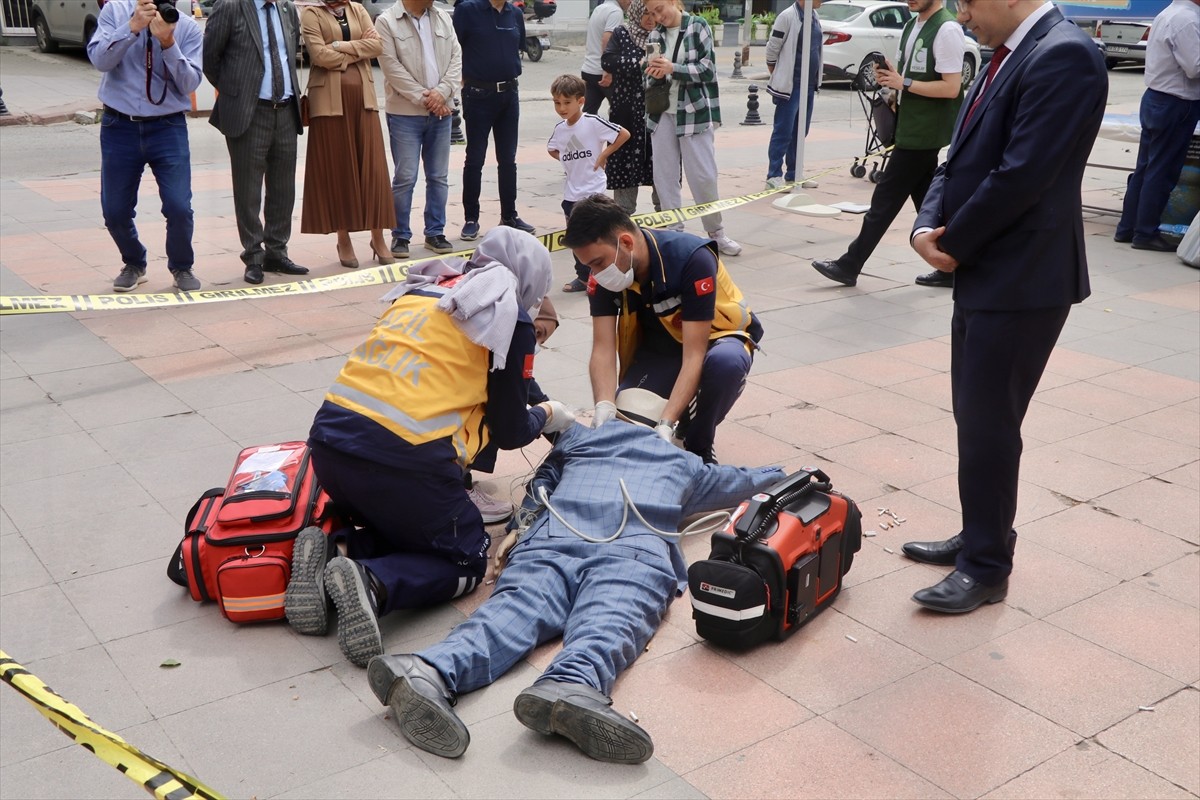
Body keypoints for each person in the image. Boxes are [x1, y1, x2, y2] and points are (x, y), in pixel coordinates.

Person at [365, 388, 786, 763]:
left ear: (613, 415)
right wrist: (796, 475)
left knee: (510, 614)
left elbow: (542, 484)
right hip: (632, 550)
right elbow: (754, 481)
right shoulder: (684, 462)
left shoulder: (581, 439)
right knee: (610, 622)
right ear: (665, 428)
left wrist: (518, 528)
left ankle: (428, 670)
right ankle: (570, 684)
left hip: (554, 539)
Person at [287, 228, 576, 666]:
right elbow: (511, 429)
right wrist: (550, 415)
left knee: (409, 524)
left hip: (329, 451)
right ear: (531, 280)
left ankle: (339, 550)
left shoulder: (427, 290)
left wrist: (536, 399)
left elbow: (500, 382)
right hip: (402, 465)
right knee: (467, 556)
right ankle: (371, 581)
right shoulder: (508, 316)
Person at [904, 0, 1107, 613]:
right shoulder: (1007, 54)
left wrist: (954, 246)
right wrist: (928, 223)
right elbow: (957, 153)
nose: (961, 13)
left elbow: (1023, 175)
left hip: (1023, 277)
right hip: (984, 269)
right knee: (976, 416)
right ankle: (981, 532)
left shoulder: (1065, 55)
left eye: (967, 1)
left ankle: (987, 567)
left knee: (991, 421)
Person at [564, 193, 762, 465]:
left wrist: (667, 423)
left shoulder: (691, 259)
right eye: (588, 267)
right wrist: (604, 405)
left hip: (715, 340)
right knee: (628, 430)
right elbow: (602, 348)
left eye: (597, 263)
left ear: (625, 243)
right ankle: (677, 415)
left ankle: (698, 443)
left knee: (725, 365)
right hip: (659, 350)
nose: (594, 274)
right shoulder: (602, 278)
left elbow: (694, 354)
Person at [810, 0, 965, 288]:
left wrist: (902, 83)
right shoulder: (911, 26)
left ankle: (850, 264)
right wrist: (893, 84)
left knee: (884, 202)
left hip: (924, 132)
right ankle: (950, 265)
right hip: (909, 126)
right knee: (928, 203)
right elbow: (908, 77)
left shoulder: (947, 30)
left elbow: (951, 87)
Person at [88, 0, 203, 293]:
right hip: (119, 125)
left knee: (179, 206)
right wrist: (131, 28)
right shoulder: (115, 11)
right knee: (114, 211)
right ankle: (134, 262)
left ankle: (181, 266)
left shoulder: (186, 26)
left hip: (168, 127)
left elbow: (190, 83)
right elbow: (100, 60)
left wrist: (168, 42)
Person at [203, 0, 311, 285]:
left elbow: (290, 55)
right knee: (248, 190)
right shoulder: (230, 7)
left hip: (286, 110)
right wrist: (238, 93)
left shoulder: (287, 10)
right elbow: (210, 60)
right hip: (250, 112)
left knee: (283, 188)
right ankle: (253, 256)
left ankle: (277, 252)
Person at [300, 0, 396, 269]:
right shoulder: (311, 13)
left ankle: (378, 237)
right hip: (328, 105)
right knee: (338, 171)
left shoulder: (358, 9)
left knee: (373, 170)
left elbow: (377, 46)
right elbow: (319, 56)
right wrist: (358, 49)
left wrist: (340, 47)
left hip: (363, 100)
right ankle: (343, 239)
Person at [644, 0, 741, 257]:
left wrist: (673, 68)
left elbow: (707, 69)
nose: (657, 16)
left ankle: (716, 233)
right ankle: (674, 232)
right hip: (661, 112)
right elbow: (647, 72)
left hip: (694, 111)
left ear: (674, 2)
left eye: (659, 9)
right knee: (664, 176)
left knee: (703, 176)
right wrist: (653, 72)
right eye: (652, 13)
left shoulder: (698, 26)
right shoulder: (655, 34)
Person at [376, 0, 461, 260]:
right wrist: (428, 99)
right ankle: (400, 234)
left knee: (438, 177)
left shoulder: (443, 18)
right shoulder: (387, 21)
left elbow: (457, 59)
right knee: (405, 177)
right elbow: (391, 69)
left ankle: (435, 232)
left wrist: (443, 92)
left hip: (441, 113)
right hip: (405, 113)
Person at [1114, 0, 1200, 254]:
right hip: (1176, 102)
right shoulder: (1187, 19)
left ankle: (1128, 227)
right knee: (1161, 171)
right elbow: (1194, 67)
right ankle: (1145, 233)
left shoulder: (1170, 12)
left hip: (1158, 98)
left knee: (1146, 168)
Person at [452, 0, 535, 242]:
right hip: (478, 94)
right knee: (475, 157)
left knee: (508, 158)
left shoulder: (515, 13)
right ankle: (471, 218)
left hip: (510, 94)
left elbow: (517, 47)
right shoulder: (468, 10)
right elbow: (454, 49)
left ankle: (509, 215)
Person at [547, 74, 630, 293]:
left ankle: (608, 273)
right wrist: (566, 159)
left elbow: (623, 134)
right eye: (557, 102)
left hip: (593, 192)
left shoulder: (592, 123)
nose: (562, 107)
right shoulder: (560, 129)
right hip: (571, 194)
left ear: (580, 101)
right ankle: (584, 278)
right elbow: (552, 148)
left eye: (567, 102)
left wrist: (603, 156)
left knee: (599, 237)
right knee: (576, 239)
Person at [602, 0, 658, 217]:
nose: (650, 19)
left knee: (660, 163)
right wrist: (639, 63)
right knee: (625, 160)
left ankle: (665, 215)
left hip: (657, 111)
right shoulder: (622, 33)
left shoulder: (663, 34)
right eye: (645, 13)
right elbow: (607, 61)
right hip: (626, 112)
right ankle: (622, 216)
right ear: (635, 12)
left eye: (654, 14)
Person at [764, 0, 822, 191]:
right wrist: (778, 74)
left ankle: (794, 174)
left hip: (809, 85)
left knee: (801, 131)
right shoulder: (787, 16)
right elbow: (772, 48)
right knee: (784, 131)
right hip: (791, 86)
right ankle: (774, 175)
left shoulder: (814, 16)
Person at [582, 0, 630, 115]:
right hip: (603, 73)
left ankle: (583, 133)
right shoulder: (615, 12)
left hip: (589, 70)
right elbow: (607, 40)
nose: (631, 2)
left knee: (588, 114)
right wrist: (608, 69)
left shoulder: (599, 8)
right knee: (620, 113)